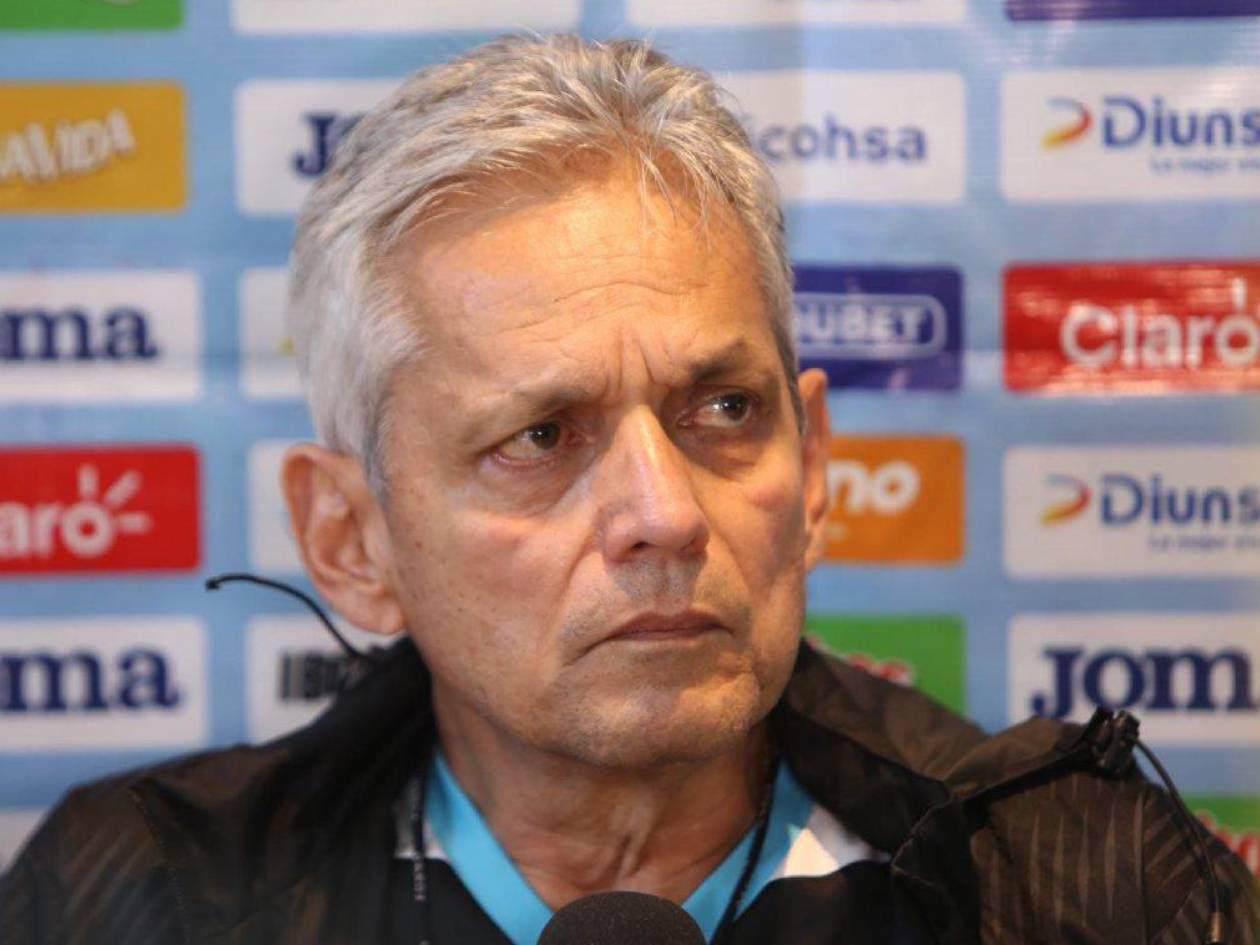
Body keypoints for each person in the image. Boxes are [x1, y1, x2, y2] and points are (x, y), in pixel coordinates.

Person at [1, 34, 1256, 945]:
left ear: (815, 470)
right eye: (541, 436)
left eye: (725, 411)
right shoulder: (137, 896)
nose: (666, 514)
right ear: (351, 539)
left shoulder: (1079, 885)